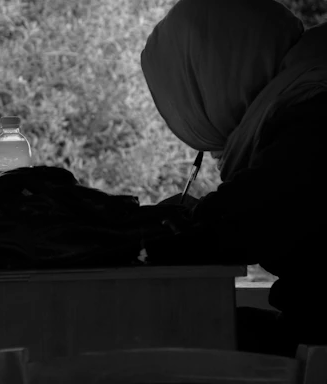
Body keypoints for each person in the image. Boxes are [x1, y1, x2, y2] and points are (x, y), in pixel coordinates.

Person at [140, 0, 327, 357]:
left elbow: (251, 220)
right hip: (311, 328)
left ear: (216, 72)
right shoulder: (308, 85)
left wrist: (144, 235)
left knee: (161, 341)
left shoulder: (313, 105)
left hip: (318, 343)